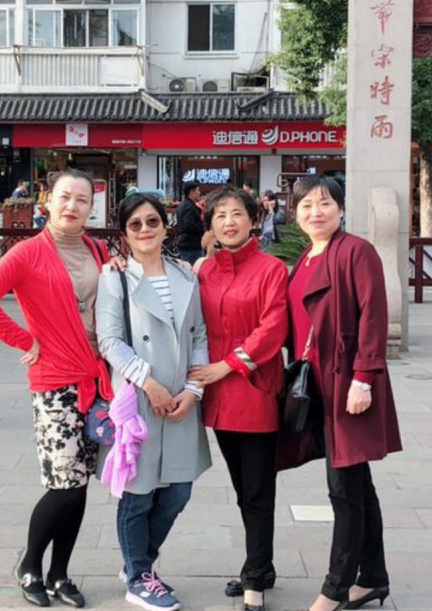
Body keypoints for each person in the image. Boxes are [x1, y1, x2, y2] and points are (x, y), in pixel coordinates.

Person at [0, 169, 112, 610]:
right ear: (48, 200)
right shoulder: (28, 252)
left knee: (79, 484)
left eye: (82, 200)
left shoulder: (98, 249)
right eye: (65, 197)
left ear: (91, 208)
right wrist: (24, 339)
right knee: (64, 484)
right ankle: (29, 563)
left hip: (95, 378)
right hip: (54, 380)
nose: (72, 206)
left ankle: (59, 574)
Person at [282, 175, 402, 611]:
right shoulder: (305, 259)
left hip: (347, 384)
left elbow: (374, 314)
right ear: (295, 213)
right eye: (306, 205)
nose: (316, 212)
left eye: (325, 203)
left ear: (341, 208)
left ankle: (336, 587)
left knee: (344, 489)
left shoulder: (355, 251)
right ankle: (373, 579)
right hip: (318, 387)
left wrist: (364, 377)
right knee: (357, 485)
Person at [96, 193, 211, 611]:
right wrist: (149, 383)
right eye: (135, 225)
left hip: (181, 397)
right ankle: (140, 576)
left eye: (152, 222)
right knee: (139, 494)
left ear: (165, 226)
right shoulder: (115, 278)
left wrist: (193, 390)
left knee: (178, 491)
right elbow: (110, 340)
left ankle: (137, 562)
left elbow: (199, 334)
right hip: (140, 398)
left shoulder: (185, 274)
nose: (145, 230)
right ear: (125, 234)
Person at [189, 188, 288, 611]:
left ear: (253, 220)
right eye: (220, 216)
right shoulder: (203, 271)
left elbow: (273, 328)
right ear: (210, 225)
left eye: (237, 214)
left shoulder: (272, 269)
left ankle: (255, 579)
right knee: (243, 488)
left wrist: (227, 365)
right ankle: (260, 565)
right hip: (218, 395)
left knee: (258, 490)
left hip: (255, 390)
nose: (229, 222)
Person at [175, 182, 204, 264]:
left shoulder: (182, 205)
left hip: (185, 244)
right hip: (191, 246)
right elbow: (189, 226)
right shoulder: (190, 207)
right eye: (197, 190)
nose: (199, 193)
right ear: (191, 192)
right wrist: (203, 226)